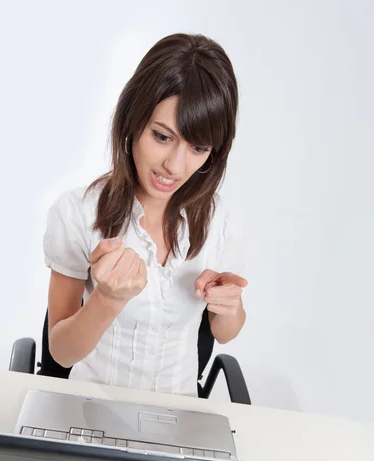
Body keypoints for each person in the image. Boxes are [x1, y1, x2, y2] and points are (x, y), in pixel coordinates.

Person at [43, 32, 248, 397]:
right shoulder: (78, 213)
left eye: (198, 147)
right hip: (89, 411)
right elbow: (60, 353)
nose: (175, 165)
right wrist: (107, 300)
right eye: (162, 136)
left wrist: (228, 306)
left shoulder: (219, 222)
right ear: (134, 119)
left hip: (179, 419)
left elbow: (224, 331)